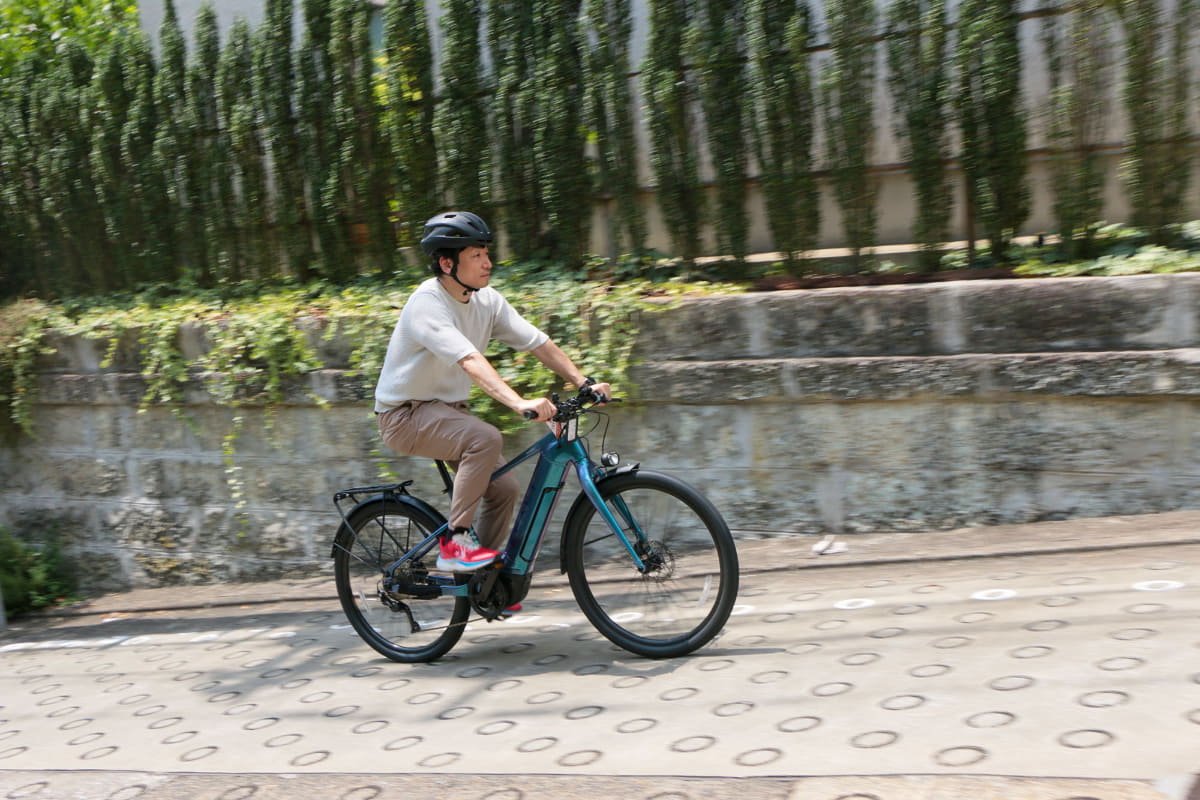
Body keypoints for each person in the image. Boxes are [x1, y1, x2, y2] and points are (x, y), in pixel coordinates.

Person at [374, 211, 611, 575]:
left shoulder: (487, 301)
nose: (488, 263)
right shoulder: (428, 302)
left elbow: (537, 342)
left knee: (503, 490)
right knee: (485, 438)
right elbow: (469, 359)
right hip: (404, 416)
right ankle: (456, 543)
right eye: (476, 255)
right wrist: (518, 402)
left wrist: (582, 382)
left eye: (487, 253)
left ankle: (481, 581)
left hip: (448, 412)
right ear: (446, 263)